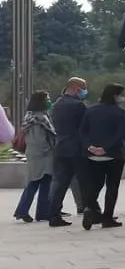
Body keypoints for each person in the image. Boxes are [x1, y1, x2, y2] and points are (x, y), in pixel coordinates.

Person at [79, 84, 125, 229]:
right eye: (121, 94)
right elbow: (120, 134)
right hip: (113, 155)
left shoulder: (91, 110)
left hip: (91, 155)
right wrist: (105, 148)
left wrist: (90, 146)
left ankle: (90, 208)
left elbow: (83, 131)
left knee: (95, 185)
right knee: (112, 187)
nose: (122, 98)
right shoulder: (120, 112)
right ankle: (107, 218)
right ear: (115, 95)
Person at [46, 77, 90, 228]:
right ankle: (91, 211)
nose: (84, 92)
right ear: (77, 88)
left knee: (60, 183)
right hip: (77, 148)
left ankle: (54, 215)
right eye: (83, 89)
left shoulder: (56, 104)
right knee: (85, 182)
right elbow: (86, 127)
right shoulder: (79, 105)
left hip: (60, 147)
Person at [12, 92, 55, 223]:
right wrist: (49, 149)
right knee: (36, 183)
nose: (49, 101)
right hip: (42, 155)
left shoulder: (31, 117)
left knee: (40, 182)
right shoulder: (39, 119)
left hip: (36, 155)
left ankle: (40, 212)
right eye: (47, 99)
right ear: (41, 101)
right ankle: (25, 211)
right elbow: (38, 140)